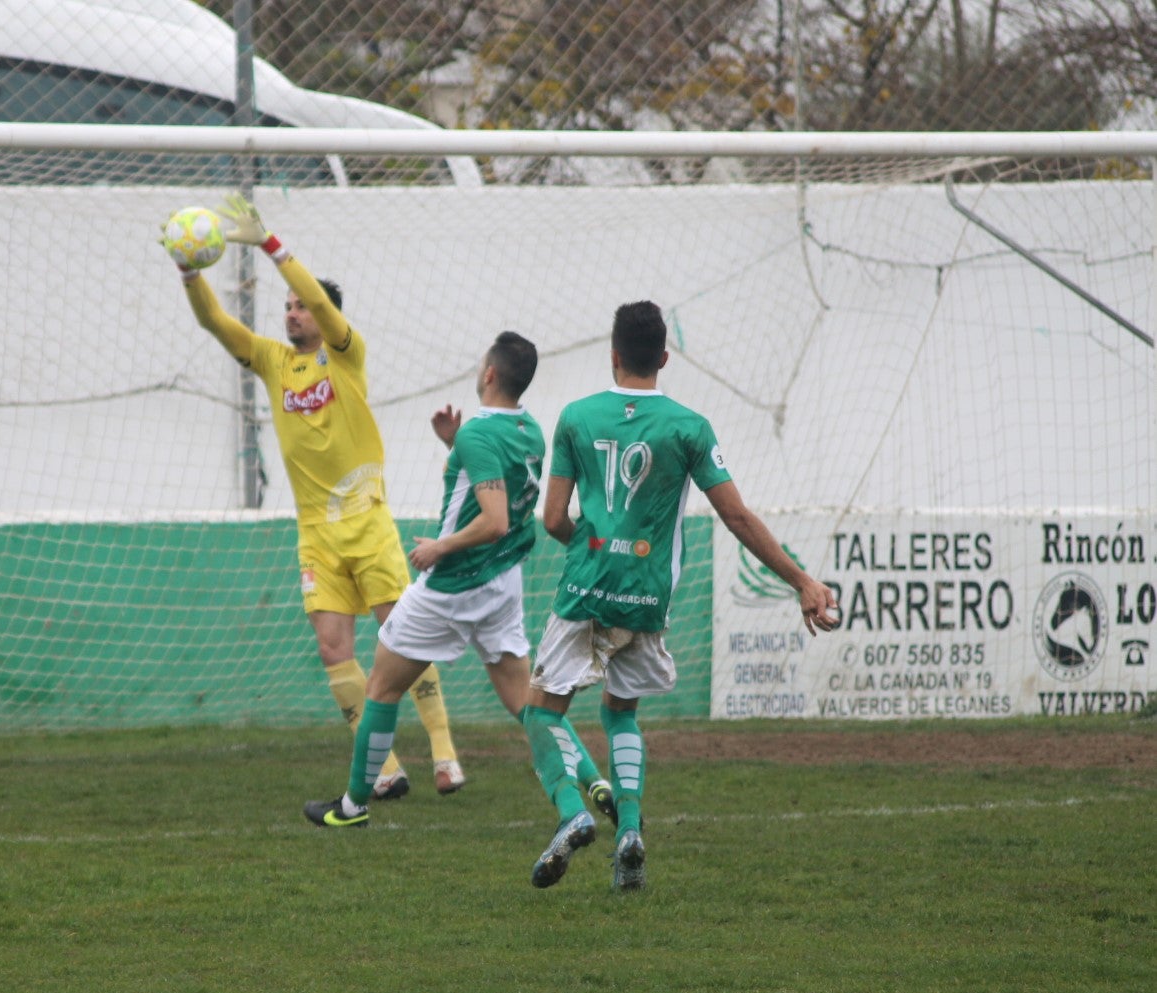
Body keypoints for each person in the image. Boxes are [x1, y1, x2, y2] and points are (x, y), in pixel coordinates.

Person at [523, 301, 839, 892]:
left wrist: (592, 546)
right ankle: (631, 832)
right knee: (620, 712)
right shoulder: (690, 427)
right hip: (647, 598)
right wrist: (803, 581)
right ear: (664, 358)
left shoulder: (575, 417)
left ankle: (572, 812)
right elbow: (736, 516)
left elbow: (554, 519)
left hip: (585, 588)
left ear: (613, 355)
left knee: (541, 710)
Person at [166, 193, 463, 798]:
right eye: (287, 307)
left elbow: (325, 306)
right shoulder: (274, 362)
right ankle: (383, 770)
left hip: (368, 521)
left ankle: (444, 753)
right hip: (316, 534)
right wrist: (190, 274)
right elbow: (217, 325)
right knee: (333, 649)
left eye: (301, 307)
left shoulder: (346, 356)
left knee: (401, 637)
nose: (292, 314)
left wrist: (273, 246)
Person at [302, 332, 613, 828]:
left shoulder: (479, 434)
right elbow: (497, 487)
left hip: (453, 584)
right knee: (527, 703)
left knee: (381, 688)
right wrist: (454, 444)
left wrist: (438, 547)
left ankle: (353, 807)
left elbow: (494, 520)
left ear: (489, 374)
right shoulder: (528, 429)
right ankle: (595, 780)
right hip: (504, 584)